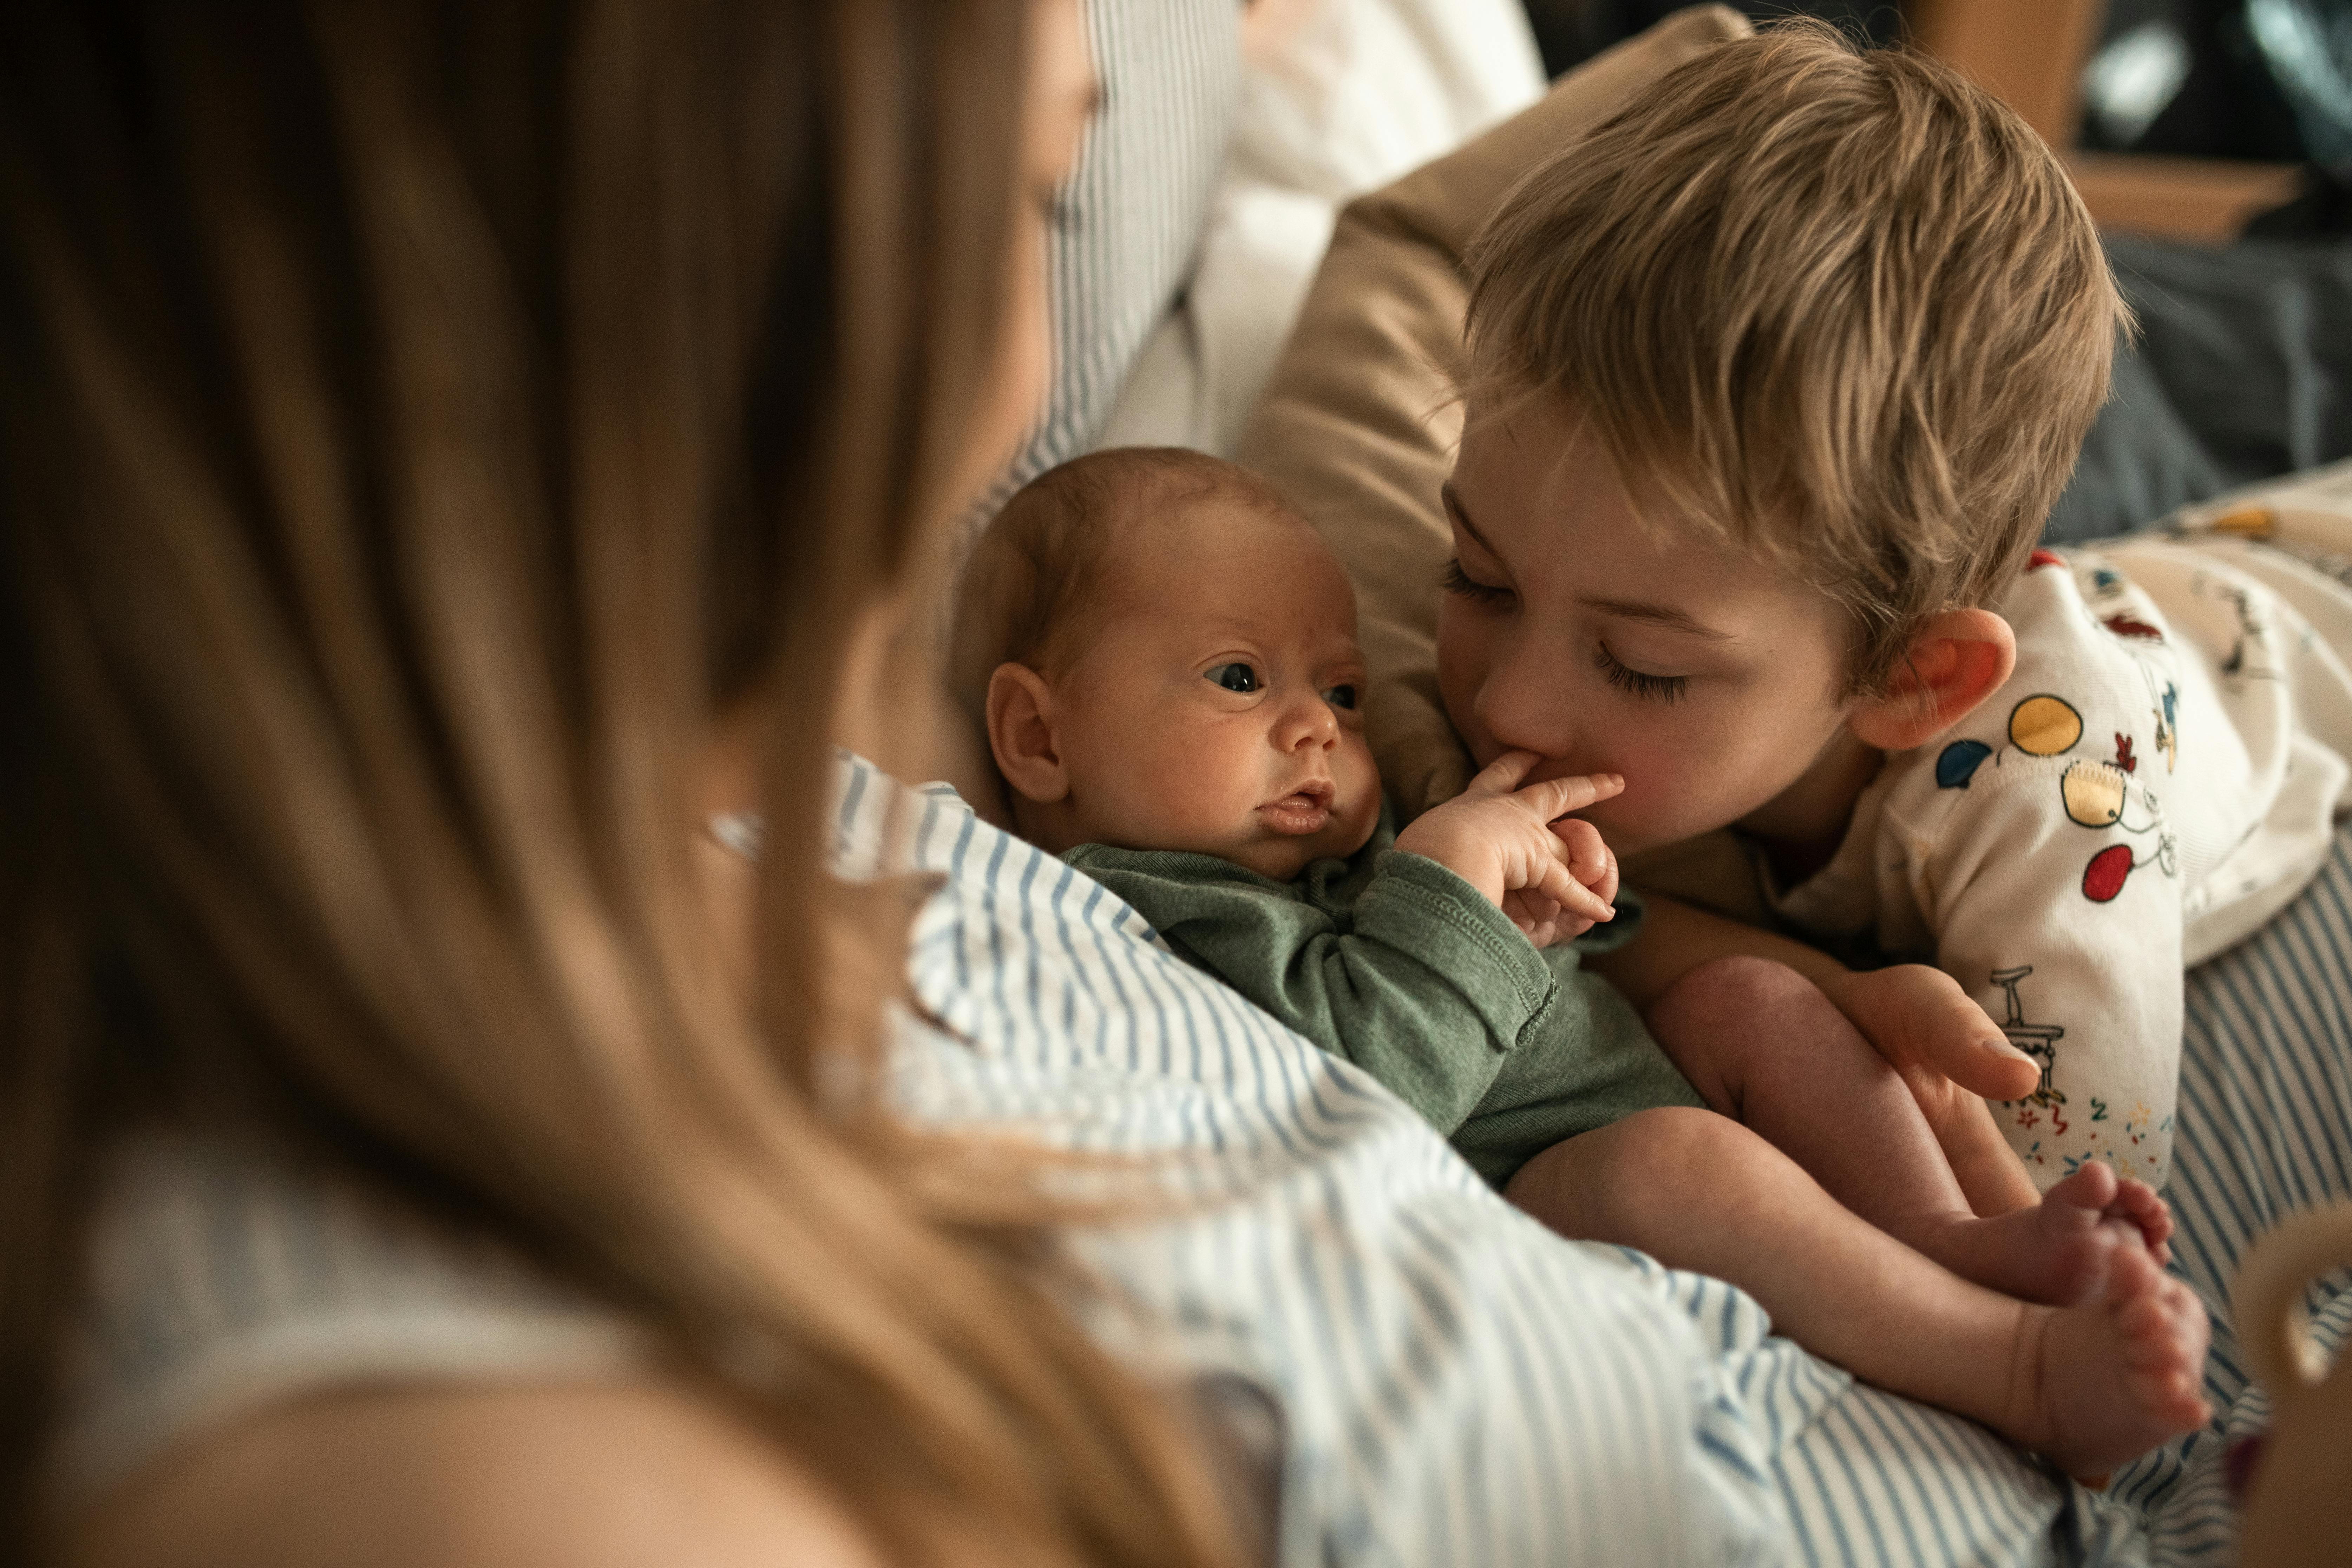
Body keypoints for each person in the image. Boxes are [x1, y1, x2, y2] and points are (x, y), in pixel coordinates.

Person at [0, 3, 1253, 1563]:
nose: (1033, 371)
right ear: (705, 297)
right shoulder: (546, 1503)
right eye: (1034, 197)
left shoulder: (528, 990)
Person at [955, 443, 2206, 1475]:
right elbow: (1367, 1087)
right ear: (1036, 734)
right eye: (1239, 679)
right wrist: (1450, 889)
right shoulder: (1152, 914)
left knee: (1750, 997)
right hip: (1533, 1179)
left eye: (1339, 692)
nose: (1318, 729)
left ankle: (1952, 1239)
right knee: (1676, 1163)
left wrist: (1560, 909)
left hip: (1621, 1074)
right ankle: (2019, 1372)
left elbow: (1592, 969)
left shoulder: (1324, 847)